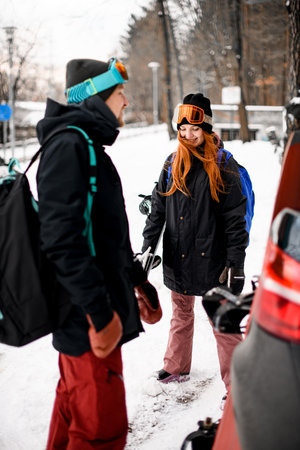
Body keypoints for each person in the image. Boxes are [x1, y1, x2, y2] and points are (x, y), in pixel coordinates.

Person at [36, 58, 161, 449]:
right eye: (120, 93)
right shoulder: (69, 146)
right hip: (88, 322)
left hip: (92, 316)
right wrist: (100, 314)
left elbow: (105, 234)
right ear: (95, 97)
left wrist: (138, 281)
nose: (126, 102)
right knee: (100, 436)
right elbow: (61, 240)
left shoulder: (88, 147)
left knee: (74, 415)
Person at [141, 93, 249, 396]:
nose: (188, 135)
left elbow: (234, 218)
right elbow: (158, 208)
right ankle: (176, 367)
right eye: (183, 129)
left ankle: (238, 385)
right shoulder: (171, 162)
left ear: (207, 128)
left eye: (195, 129)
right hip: (178, 252)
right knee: (181, 312)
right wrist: (148, 245)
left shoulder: (224, 164)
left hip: (214, 257)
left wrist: (236, 262)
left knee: (222, 320)